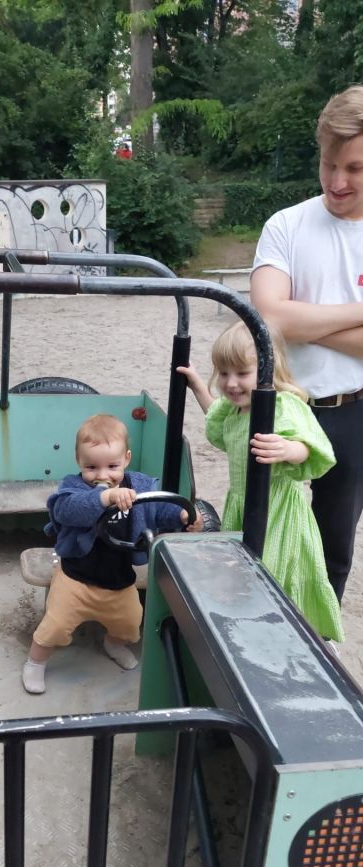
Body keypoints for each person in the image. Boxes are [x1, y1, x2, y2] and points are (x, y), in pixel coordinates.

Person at [250, 85, 363, 603]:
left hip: (353, 411)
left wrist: (302, 319)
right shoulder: (286, 225)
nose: (337, 182)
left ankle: (318, 636)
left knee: (333, 547)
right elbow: (269, 316)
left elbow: (285, 316)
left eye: (355, 168)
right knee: (264, 531)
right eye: (328, 165)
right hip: (281, 405)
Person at [177, 322, 344, 645]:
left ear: (269, 369)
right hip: (242, 505)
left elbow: (311, 446)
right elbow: (215, 418)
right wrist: (197, 384)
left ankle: (297, 637)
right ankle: (253, 636)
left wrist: (288, 449)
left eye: (242, 373)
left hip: (276, 510)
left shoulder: (282, 405)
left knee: (274, 574)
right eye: (223, 373)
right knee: (243, 573)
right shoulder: (234, 410)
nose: (231, 383)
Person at [22, 413, 203, 694]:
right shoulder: (74, 487)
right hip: (76, 577)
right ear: (78, 461)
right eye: (91, 467)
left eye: (112, 466)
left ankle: (113, 643)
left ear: (127, 459)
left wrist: (182, 515)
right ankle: (36, 661)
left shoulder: (139, 486)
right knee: (55, 625)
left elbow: (158, 509)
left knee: (130, 624)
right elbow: (65, 510)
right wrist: (104, 497)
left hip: (118, 579)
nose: (102, 475)